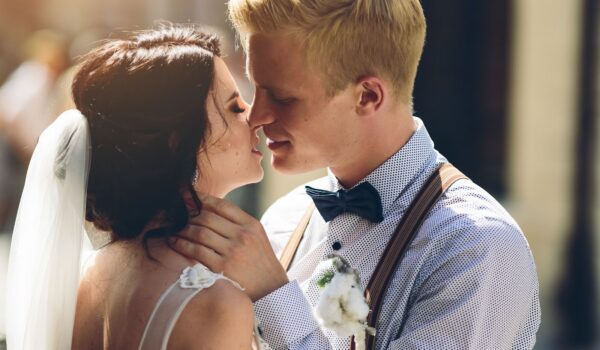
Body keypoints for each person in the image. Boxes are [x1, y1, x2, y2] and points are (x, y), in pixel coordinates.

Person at [171, 0, 541, 349]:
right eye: (256, 88)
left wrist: (273, 295)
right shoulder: (283, 219)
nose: (256, 116)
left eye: (282, 97)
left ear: (367, 96)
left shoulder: (476, 248)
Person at [5, 25, 269, 349]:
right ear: (177, 141)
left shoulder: (86, 278)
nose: (256, 116)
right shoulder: (214, 306)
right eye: (235, 108)